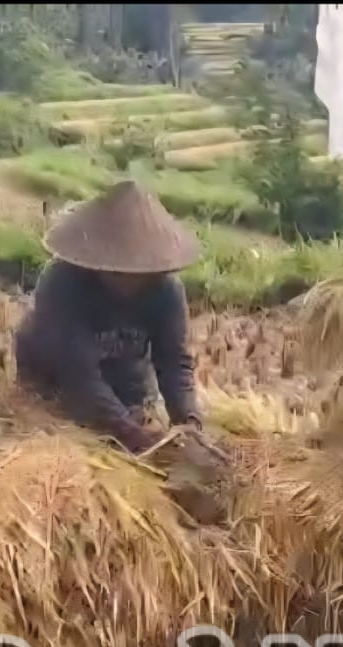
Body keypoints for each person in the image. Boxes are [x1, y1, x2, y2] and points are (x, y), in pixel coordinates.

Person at [15, 180, 203, 454]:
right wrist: (128, 432)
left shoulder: (166, 292)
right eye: (117, 271)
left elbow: (173, 360)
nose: (127, 280)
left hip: (126, 384)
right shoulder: (61, 283)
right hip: (57, 386)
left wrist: (189, 421)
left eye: (136, 272)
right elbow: (76, 372)